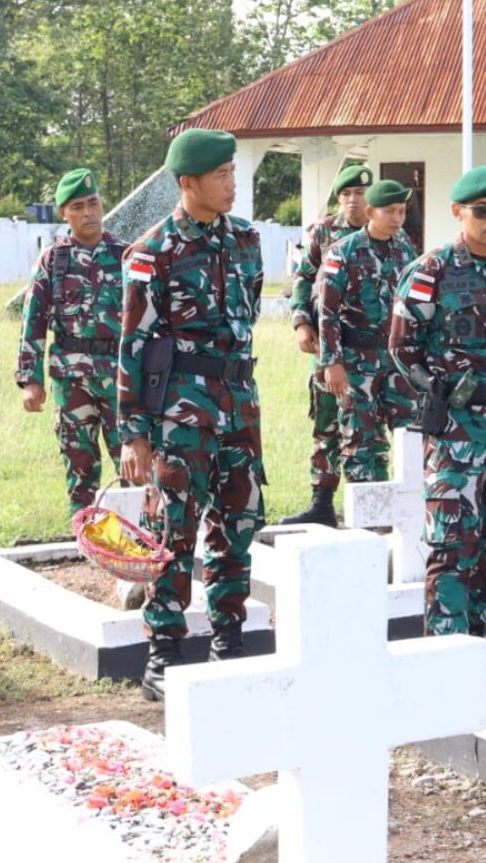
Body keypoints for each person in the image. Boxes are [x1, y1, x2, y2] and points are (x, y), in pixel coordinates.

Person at [118, 128, 265, 700]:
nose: (233, 184)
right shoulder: (151, 253)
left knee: (239, 522)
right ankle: (164, 649)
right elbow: (132, 344)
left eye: (233, 172)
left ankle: (229, 637)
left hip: (238, 403)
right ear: (188, 183)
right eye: (221, 175)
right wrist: (135, 432)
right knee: (173, 527)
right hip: (181, 406)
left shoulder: (247, 241)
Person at [390, 165, 486, 670]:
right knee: (453, 539)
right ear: (458, 212)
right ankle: (443, 654)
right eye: (483, 211)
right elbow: (401, 346)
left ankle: (475, 648)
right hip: (457, 429)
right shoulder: (431, 271)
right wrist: (435, 390)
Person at [15, 168, 127, 514]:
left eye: (93, 203)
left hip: (120, 376)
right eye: (78, 206)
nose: (89, 212)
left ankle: (137, 540)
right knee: (79, 463)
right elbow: (32, 321)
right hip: (71, 376)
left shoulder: (126, 255)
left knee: (132, 460)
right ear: (65, 212)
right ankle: (85, 537)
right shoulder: (54, 260)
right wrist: (30, 380)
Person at [281, 163, 373, 527]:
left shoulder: (384, 232)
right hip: (328, 345)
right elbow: (303, 277)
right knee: (326, 424)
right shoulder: (324, 231)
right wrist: (301, 322)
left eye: (360, 193)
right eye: (347, 194)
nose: (353, 201)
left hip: (367, 350)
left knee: (365, 431)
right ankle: (322, 503)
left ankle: (365, 509)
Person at [316, 179, 418, 483]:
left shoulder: (405, 248)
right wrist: (331, 362)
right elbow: (327, 312)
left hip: (396, 361)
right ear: (371, 211)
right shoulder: (343, 252)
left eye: (401, 211)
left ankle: (410, 510)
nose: (397, 218)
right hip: (356, 361)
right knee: (361, 439)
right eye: (389, 211)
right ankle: (369, 517)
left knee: (410, 431)